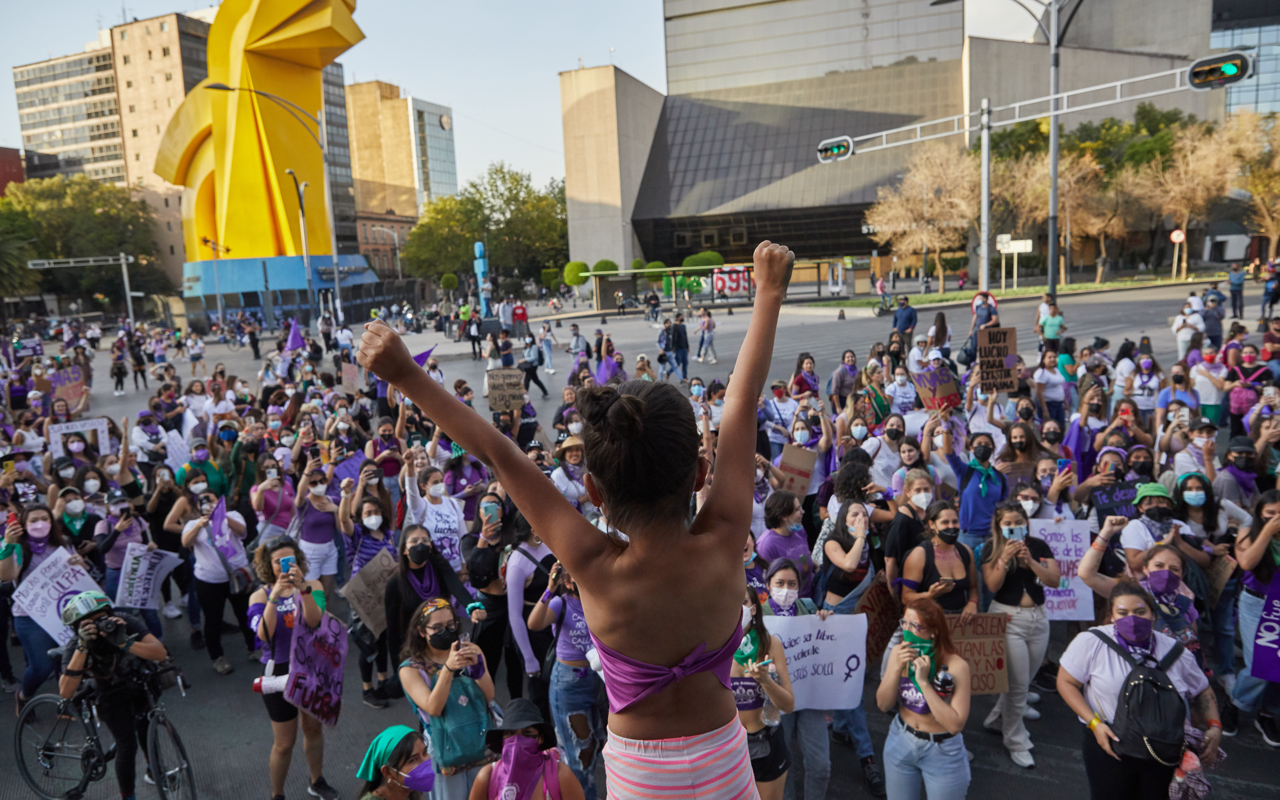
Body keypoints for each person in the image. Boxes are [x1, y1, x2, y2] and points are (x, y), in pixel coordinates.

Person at [357, 240, 798, 800]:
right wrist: (770, 293)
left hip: (642, 781)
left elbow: (499, 454)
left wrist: (407, 376)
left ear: (591, 489)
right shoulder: (726, 535)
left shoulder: (592, 564)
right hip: (726, 766)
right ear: (699, 473)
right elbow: (742, 400)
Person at [1056, 582, 1221, 800]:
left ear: (1153, 614)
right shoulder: (1091, 642)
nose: (1131, 619)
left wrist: (1215, 726)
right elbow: (1066, 682)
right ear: (1112, 616)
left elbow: (1203, 690)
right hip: (1109, 744)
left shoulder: (1176, 651)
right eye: (1122, 613)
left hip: (1162, 747)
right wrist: (1094, 723)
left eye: (1140, 611)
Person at [247, 537, 340, 800]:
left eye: (290, 560)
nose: (285, 566)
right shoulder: (259, 595)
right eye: (278, 562)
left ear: (298, 560)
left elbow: (315, 621)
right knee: (284, 743)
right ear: (269, 565)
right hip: (278, 672)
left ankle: (317, 781)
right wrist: (274, 597)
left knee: (313, 729)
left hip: (310, 667)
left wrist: (303, 590)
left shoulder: (312, 586)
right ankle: (277, 794)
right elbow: (264, 635)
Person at [57, 591, 170, 800]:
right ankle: (128, 796)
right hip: (108, 694)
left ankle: (154, 772)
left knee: (147, 728)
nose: (97, 627)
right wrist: (83, 647)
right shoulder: (76, 644)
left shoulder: (126, 622)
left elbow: (160, 653)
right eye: (87, 624)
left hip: (137, 683)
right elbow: (65, 691)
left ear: (110, 614)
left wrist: (124, 642)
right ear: (77, 628)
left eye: (100, 619)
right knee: (127, 745)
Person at [980, 503, 1059, 767]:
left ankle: (996, 720)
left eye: (1019, 521)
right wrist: (1004, 560)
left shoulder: (1038, 545)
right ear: (1000, 526)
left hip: (1038, 617)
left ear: (1026, 521)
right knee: (1018, 686)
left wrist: (1030, 562)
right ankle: (1015, 740)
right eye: (1008, 523)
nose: (1014, 527)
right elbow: (991, 586)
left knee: (1024, 678)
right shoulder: (991, 547)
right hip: (1007, 618)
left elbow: (1054, 580)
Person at [875, 598, 972, 800]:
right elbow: (883, 704)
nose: (907, 631)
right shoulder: (898, 653)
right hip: (902, 738)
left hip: (942, 750)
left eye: (915, 626)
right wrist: (895, 669)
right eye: (905, 624)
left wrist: (924, 683)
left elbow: (955, 725)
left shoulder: (956, 666)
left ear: (933, 632)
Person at [400, 599, 497, 798]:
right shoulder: (411, 669)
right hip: (444, 748)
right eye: (437, 628)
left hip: (480, 740)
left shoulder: (471, 651)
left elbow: (489, 696)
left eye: (451, 625)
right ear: (422, 631)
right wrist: (448, 668)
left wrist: (478, 669)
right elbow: (433, 707)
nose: (446, 631)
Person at [526, 563, 605, 798]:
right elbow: (534, 623)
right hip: (568, 684)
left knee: (597, 743)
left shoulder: (598, 601)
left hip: (598, 680)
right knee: (579, 750)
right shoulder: (562, 603)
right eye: (573, 576)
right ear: (566, 580)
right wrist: (550, 588)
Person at [183, 489, 256, 675]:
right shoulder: (193, 523)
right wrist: (200, 525)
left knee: (246, 614)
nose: (208, 504)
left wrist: (221, 516)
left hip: (237, 575)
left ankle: (254, 648)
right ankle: (218, 657)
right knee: (213, 620)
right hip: (209, 581)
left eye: (212, 500)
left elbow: (242, 531)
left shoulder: (232, 515)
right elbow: (186, 542)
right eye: (203, 502)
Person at [1227, 490, 1280, 742]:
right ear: (1260, 513)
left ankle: (1266, 712)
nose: (1276, 518)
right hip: (1257, 604)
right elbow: (1247, 562)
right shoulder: (1249, 533)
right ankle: (1235, 704)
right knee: (1260, 664)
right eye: (1271, 513)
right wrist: (1268, 533)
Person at [734, 582, 795, 800]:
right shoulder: (714, 649)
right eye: (731, 602)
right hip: (729, 746)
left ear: (753, 609)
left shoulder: (770, 644)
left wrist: (766, 681)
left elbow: (788, 705)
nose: (735, 608)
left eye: (742, 602)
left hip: (766, 742)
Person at [469, 698, 587, 800]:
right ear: (502, 739)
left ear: (540, 738)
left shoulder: (561, 775)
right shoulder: (487, 777)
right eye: (510, 733)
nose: (517, 741)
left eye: (526, 733)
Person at [356, 726, 434, 800]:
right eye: (413, 760)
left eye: (425, 753)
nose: (425, 762)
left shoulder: (413, 790)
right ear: (387, 772)